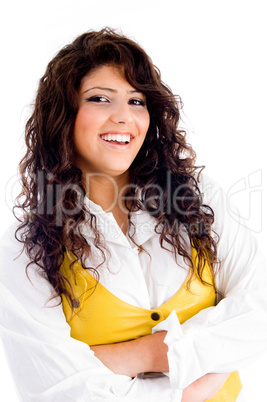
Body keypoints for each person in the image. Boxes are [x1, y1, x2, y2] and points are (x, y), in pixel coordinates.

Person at [0, 27, 266, 402]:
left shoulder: (198, 201)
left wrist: (150, 355)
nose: (124, 117)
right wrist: (185, 381)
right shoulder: (26, 249)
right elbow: (58, 391)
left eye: (137, 101)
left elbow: (260, 310)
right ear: (63, 115)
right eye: (100, 99)